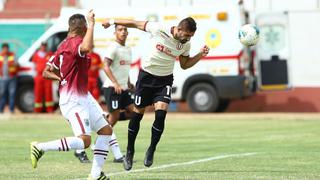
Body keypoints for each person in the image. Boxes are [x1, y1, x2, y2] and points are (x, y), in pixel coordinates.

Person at [102, 17, 210, 170]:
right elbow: (134, 23)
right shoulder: (159, 28)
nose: (188, 38)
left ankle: (151, 149)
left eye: (191, 36)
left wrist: (199, 55)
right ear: (178, 30)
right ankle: (130, 151)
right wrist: (112, 21)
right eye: (186, 35)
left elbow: (185, 65)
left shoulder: (186, 44)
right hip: (146, 77)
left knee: (161, 114)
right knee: (137, 113)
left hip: (164, 80)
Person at [30, 10, 113, 180]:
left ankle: (96, 175)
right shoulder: (76, 43)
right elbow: (86, 47)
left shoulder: (62, 46)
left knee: (106, 130)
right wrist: (92, 24)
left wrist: (61, 77)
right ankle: (40, 147)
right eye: (86, 29)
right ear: (82, 29)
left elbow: (46, 72)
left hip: (83, 96)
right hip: (74, 99)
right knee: (85, 141)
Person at [32, 42, 54, 113]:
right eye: (42, 46)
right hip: (39, 76)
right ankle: (37, 110)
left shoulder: (49, 54)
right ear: (40, 46)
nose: (43, 47)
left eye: (45, 46)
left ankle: (49, 109)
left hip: (47, 76)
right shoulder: (36, 55)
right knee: (38, 93)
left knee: (48, 93)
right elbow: (34, 65)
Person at [0, 43, 18, 113]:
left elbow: (17, 64)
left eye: (6, 48)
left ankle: (11, 110)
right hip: (3, 78)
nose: (5, 50)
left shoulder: (12, 55)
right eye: (4, 48)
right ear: (2, 49)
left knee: (12, 94)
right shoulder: (0, 56)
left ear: (8, 49)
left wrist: (13, 64)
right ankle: (1, 110)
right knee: (2, 94)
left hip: (12, 77)